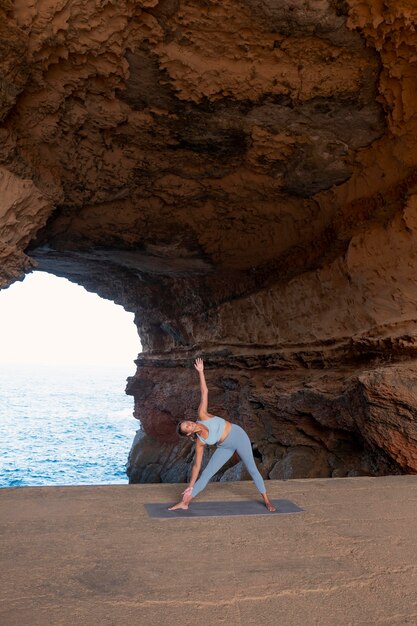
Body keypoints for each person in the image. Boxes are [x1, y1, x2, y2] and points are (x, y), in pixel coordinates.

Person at [168, 357, 276, 512]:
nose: (190, 423)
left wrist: (201, 372)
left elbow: (204, 392)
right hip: (225, 446)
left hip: (238, 436)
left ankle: (266, 501)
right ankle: (185, 503)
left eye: (188, 422)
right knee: (206, 473)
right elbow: (196, 465)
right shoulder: (199, 442)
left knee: (252, 468)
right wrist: (190, 486)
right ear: (189, 433)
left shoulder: (202, 415)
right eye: (187, 426)